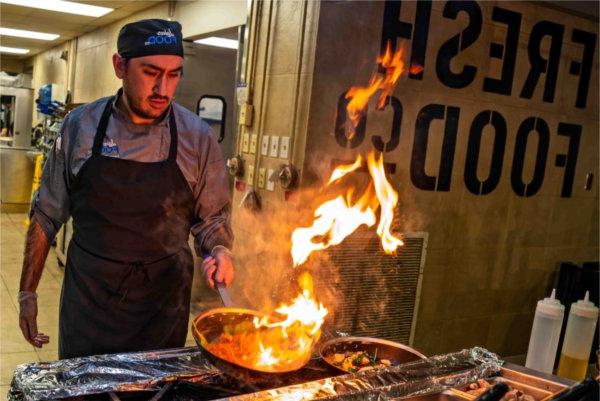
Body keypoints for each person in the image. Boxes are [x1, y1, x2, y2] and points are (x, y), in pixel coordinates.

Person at [18, 19, 235, 359]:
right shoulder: (81, 127)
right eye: (151, 72)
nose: (163, 88)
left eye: (174, 74)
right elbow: (47, 214)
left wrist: (220, 250)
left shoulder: (197, 137)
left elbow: (211, 221)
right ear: (120, 66)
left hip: (162, 306)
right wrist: (26, 294)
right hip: (90, 299)